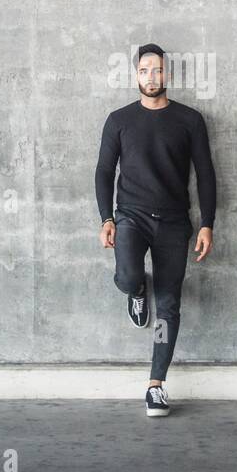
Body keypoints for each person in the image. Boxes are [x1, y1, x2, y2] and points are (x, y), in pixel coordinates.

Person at [95, 43, 216, 417]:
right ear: (136, 75)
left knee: (168, 306)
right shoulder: (118, 120)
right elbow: (103, 171)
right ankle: (136, 290)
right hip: (130, 216)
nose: (152, 76)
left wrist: (207, 223)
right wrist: (107, 218)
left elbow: (206, 174)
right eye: (145, 70)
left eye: (158, 70)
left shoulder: (190, 120)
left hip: (175, 223)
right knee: (128, 276)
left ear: (168, 75)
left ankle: (155, 385)